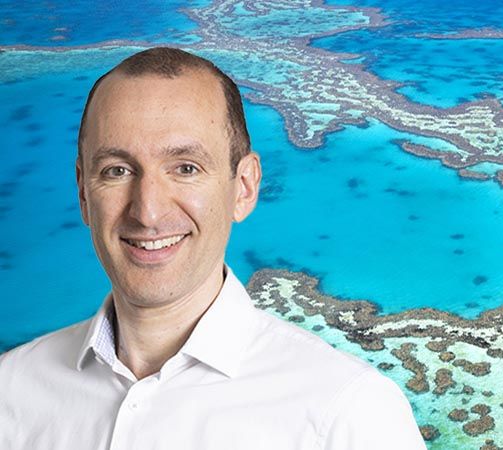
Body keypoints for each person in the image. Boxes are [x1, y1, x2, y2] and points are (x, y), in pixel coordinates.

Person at [0, 47, 427, 450]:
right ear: (83, 194)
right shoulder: (11, 391)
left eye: (185, 168)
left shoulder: (348, 414)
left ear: (244, 187)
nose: (147, 211)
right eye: (117, 170)